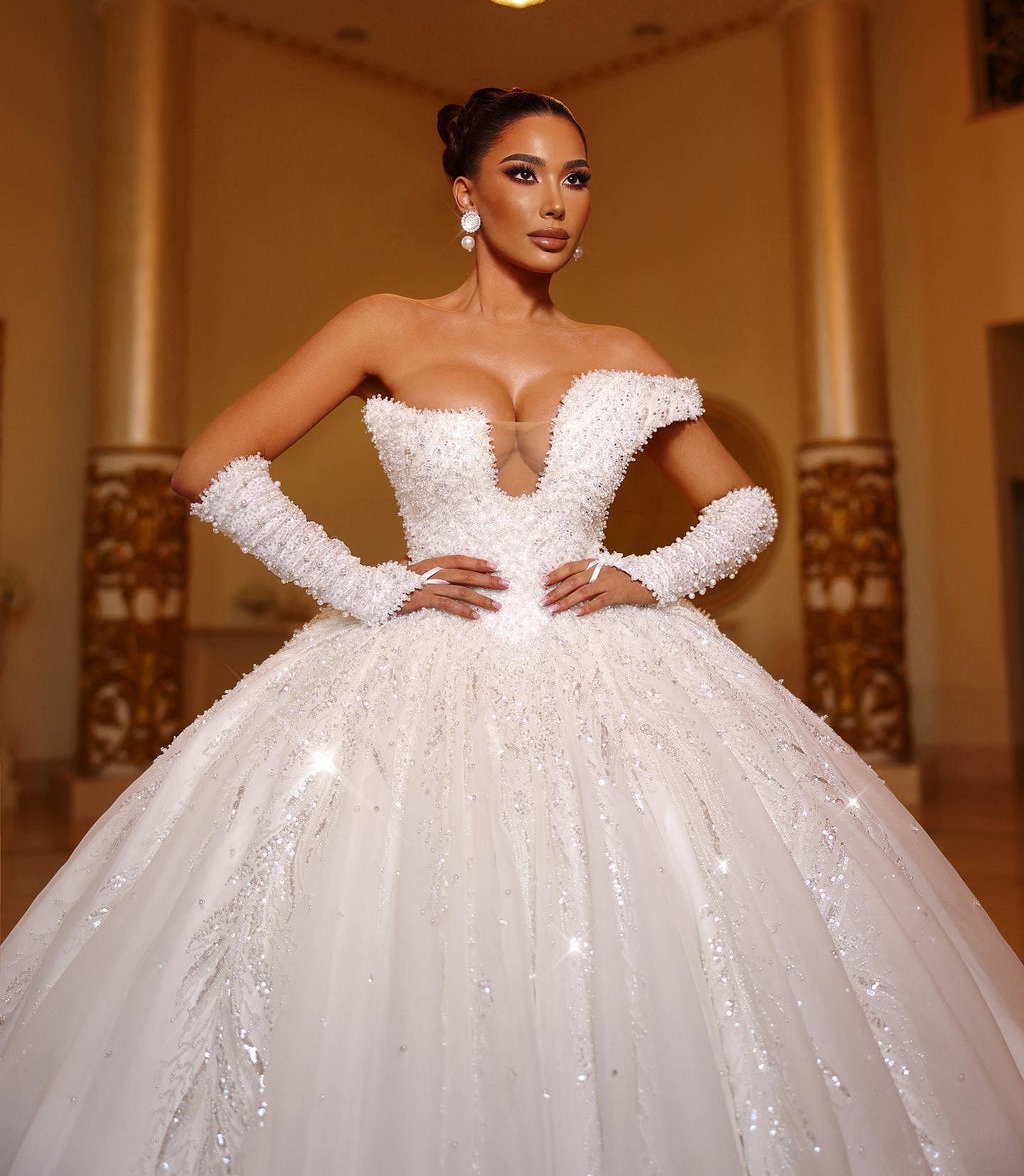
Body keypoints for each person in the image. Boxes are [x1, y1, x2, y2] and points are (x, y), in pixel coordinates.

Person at [1, 85, 1023, 1176]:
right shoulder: (384, 325)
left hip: (614, 670)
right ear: (465, 191)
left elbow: (745, 509)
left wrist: (647, 573)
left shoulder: (624, 350)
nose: (556, 204)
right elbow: (207, 467)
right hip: (421, 666)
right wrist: (366, 586)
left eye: (576, 179)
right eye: (525, 174)